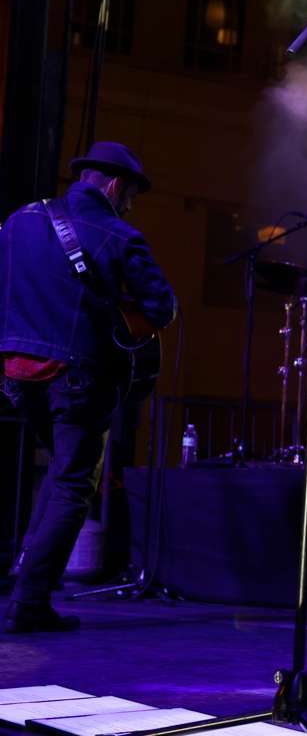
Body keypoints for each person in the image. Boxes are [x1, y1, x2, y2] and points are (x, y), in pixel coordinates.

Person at [0, 141, 176, 633]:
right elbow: (162, 307)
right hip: (77, 376)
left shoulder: (18, 221)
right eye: (132, 195)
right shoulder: (118, 234)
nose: (131, 205)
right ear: (116, 187)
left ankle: (24, 583)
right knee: (75, 484)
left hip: (17, 372)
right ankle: (30, 603)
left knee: (59, 474)